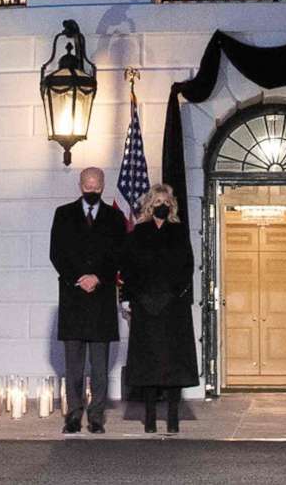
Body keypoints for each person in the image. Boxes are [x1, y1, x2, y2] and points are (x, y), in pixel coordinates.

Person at [48, 165, 125, 434]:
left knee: (101, 368)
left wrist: (98, 277)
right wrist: (79, 277)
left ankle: (96, 418)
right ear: (80, 185)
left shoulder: (116, 218)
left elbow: (119, 254)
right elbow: (56, 253)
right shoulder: (63, 214)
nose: (91, 190)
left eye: (96, 186)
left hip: (101, 300)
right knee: (74, 367)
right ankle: (73, 416)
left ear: (102, 186)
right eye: (87, 186)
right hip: (73, 299)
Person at [120, 182, 197, 433]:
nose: (161, 207)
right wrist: (128, 297)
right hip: (145, 305)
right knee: (148, 364)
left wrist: (175, 294)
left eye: (166, 203)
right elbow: (128, 269)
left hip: (173, 306)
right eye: (157, 203)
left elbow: (187, 267)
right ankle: (150, 416)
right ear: (149, 206)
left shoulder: (179, 232)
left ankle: (173, 416)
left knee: (174, 363)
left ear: (171, 206)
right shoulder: (137, 234)